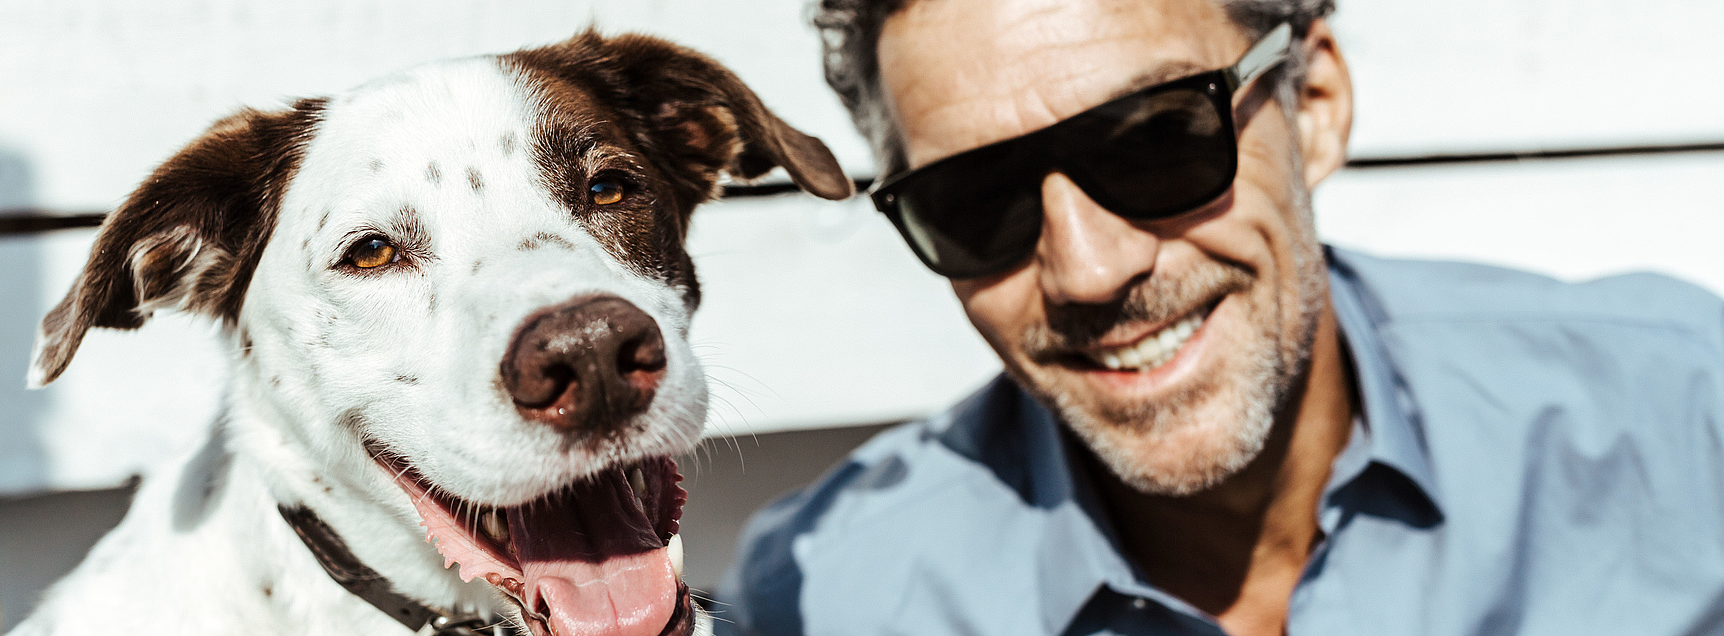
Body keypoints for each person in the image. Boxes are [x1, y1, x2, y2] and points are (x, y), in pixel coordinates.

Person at [716, 0, 1724, 634]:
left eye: (1157, 142)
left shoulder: (1685, 416)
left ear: (1316, 103)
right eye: (975, 201)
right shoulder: (828, 599)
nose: (1089, 267)